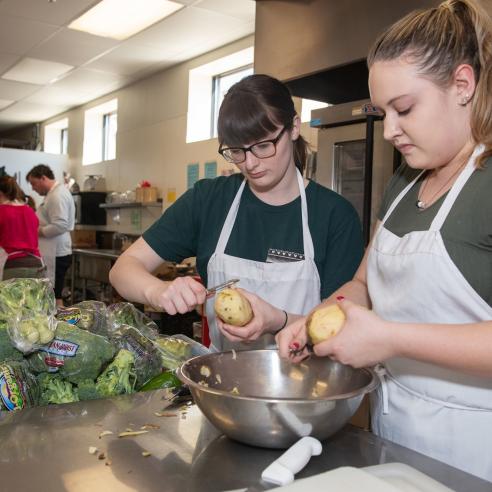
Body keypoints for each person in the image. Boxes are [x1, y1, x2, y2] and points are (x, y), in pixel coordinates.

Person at [278, 0, 492, 481]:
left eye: (405, 109)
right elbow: (362, 282)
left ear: (463, 85)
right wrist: (319, 320)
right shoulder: (404, 183)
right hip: (395, 433)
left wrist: (388, 337)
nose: (390, 130)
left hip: (477, 452)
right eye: (383, 112)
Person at [110, 74, 364, 351]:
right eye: (237, 151)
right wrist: (158, 291)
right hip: (226, 383)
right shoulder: (209, 200)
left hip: (309, 388)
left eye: (264, 146)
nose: (251, 163)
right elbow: (123, 269)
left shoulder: (334, 215)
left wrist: (279, 320)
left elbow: (343, 328)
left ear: (293, 128)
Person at [26, 164, 75, 307]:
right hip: (54, 251)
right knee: (54, 295)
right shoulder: (54, 194)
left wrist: (38, 231)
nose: (33, 188)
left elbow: (60, 225)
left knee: (55, 296)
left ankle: (64, 326)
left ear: (43, 178)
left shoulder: (57, 195)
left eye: (34, 183)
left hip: (57, 253)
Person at [0, 176, 45, 280]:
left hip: (12, 265)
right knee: (32, 297)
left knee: (9, 297)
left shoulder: (2, 211)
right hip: (36, 265)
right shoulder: (29, 210)